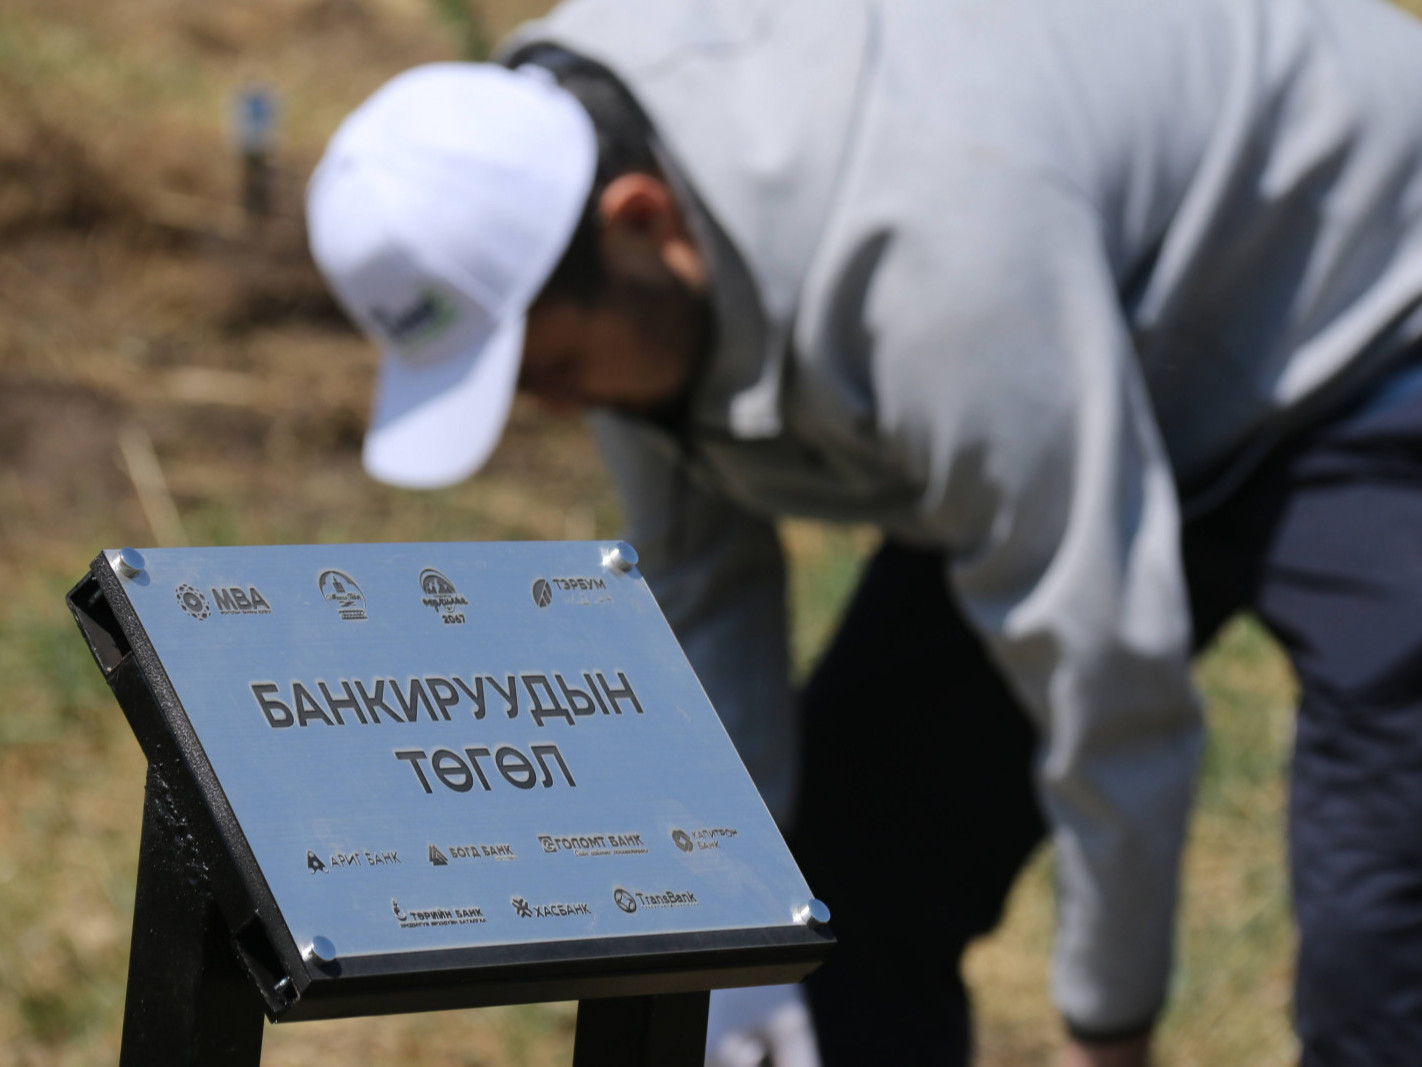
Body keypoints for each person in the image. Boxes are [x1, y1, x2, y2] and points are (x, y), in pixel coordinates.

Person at [305, 0, 1422, 1062]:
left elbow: (1103, 666)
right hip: (1106, 329)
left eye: (554, 370)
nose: (560, 411)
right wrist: (730, 961)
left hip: (1366, 281)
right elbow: (706, 593)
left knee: (1383, 909)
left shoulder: (937, 262)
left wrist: (1106, 1026)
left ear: (642, 221)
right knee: (849, 870)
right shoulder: (575, 167)